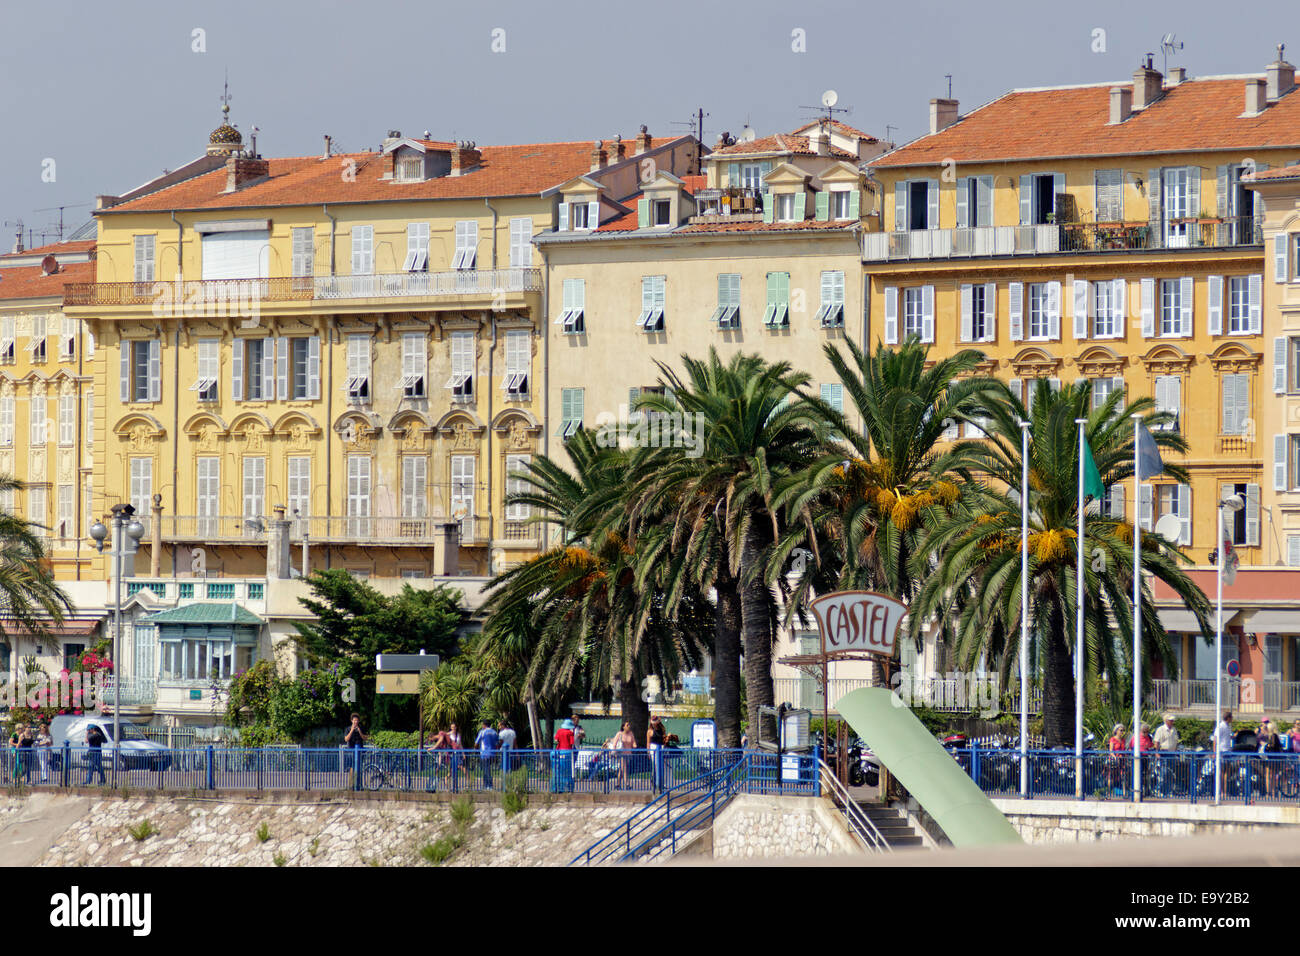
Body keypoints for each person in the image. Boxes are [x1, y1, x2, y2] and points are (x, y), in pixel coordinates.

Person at [1152, 714, 1180, 797]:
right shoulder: (1160, 729)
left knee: (1170, 774)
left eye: (1173, 720)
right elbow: (1156, 742)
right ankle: (1159, 790)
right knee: (1163, 773)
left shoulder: (1174, 729)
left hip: (1172, 754)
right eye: (1170, 720)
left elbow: (1176, 741)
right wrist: (1156, 753)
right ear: (1166, 721)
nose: (1172, 721)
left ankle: (1168, 791)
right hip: (1163, 753)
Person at [1214, 710, 1234, 796]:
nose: (1232, 719)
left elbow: (1227, 737)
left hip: (1227, 751)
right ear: (1228, 718)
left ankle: (1225, 791)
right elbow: (1215, 739)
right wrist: (1215, 752)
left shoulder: (1227, 727)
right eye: (1231, 718)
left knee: (1227, 772)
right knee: (1222, 772)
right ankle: (1221, 791)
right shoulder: (1221, 726)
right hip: (1222, 751)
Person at [612, 720, 636, 791]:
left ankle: (617, 784)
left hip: (628, 754)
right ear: (623, 726)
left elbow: (633, 742)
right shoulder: (619, 734)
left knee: (621, 770)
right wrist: (615, 752)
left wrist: (634, 745)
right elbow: (614, 744)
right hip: (621, 754)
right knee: (625, 769)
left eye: (629, 725)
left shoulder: (631, 734)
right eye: (627, 725)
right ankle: (627, 784)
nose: (629, 726)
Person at [552, 719, 575, 793]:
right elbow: (572, 743)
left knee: (558, 770)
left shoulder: (559, 731)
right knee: (567, 770)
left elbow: (556, 740)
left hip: (559, 752)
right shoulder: (570, 733)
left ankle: (557, 787)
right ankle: (568, 788)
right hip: (567, 752)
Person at [475, 720, 499, 790]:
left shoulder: (482, 732)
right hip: (492, 753)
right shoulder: (494, 732)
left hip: (484, 753)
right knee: (488, 769)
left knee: (486, 770)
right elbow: (497, 744)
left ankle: (488, 785)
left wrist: (475, 750)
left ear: (484, 725)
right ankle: (488, 785)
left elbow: (476, 742)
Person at [647, 716, 668, 792]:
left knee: (662, 765)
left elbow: (664, 739)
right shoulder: (649, 731)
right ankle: (655, 781)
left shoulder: (662, 729)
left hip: (661, 747)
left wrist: (665, 745)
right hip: (654, 747)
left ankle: (661, 783)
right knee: (656, 765)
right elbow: (648, 742)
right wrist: (648, 751)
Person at [1106, 724, 1126, 796]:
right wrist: (1114, 757)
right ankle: (1108, 792)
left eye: (1123, 730)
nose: (1122, 732)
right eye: (1121, 730)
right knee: (1111, 776)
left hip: (1122, 759)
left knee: (1123, 775)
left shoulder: (1123, 740)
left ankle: (1124, 793)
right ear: (1116, 731)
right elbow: (1111, 750)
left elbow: (1124, 749)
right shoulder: (1112, 739)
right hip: (1114, 760)